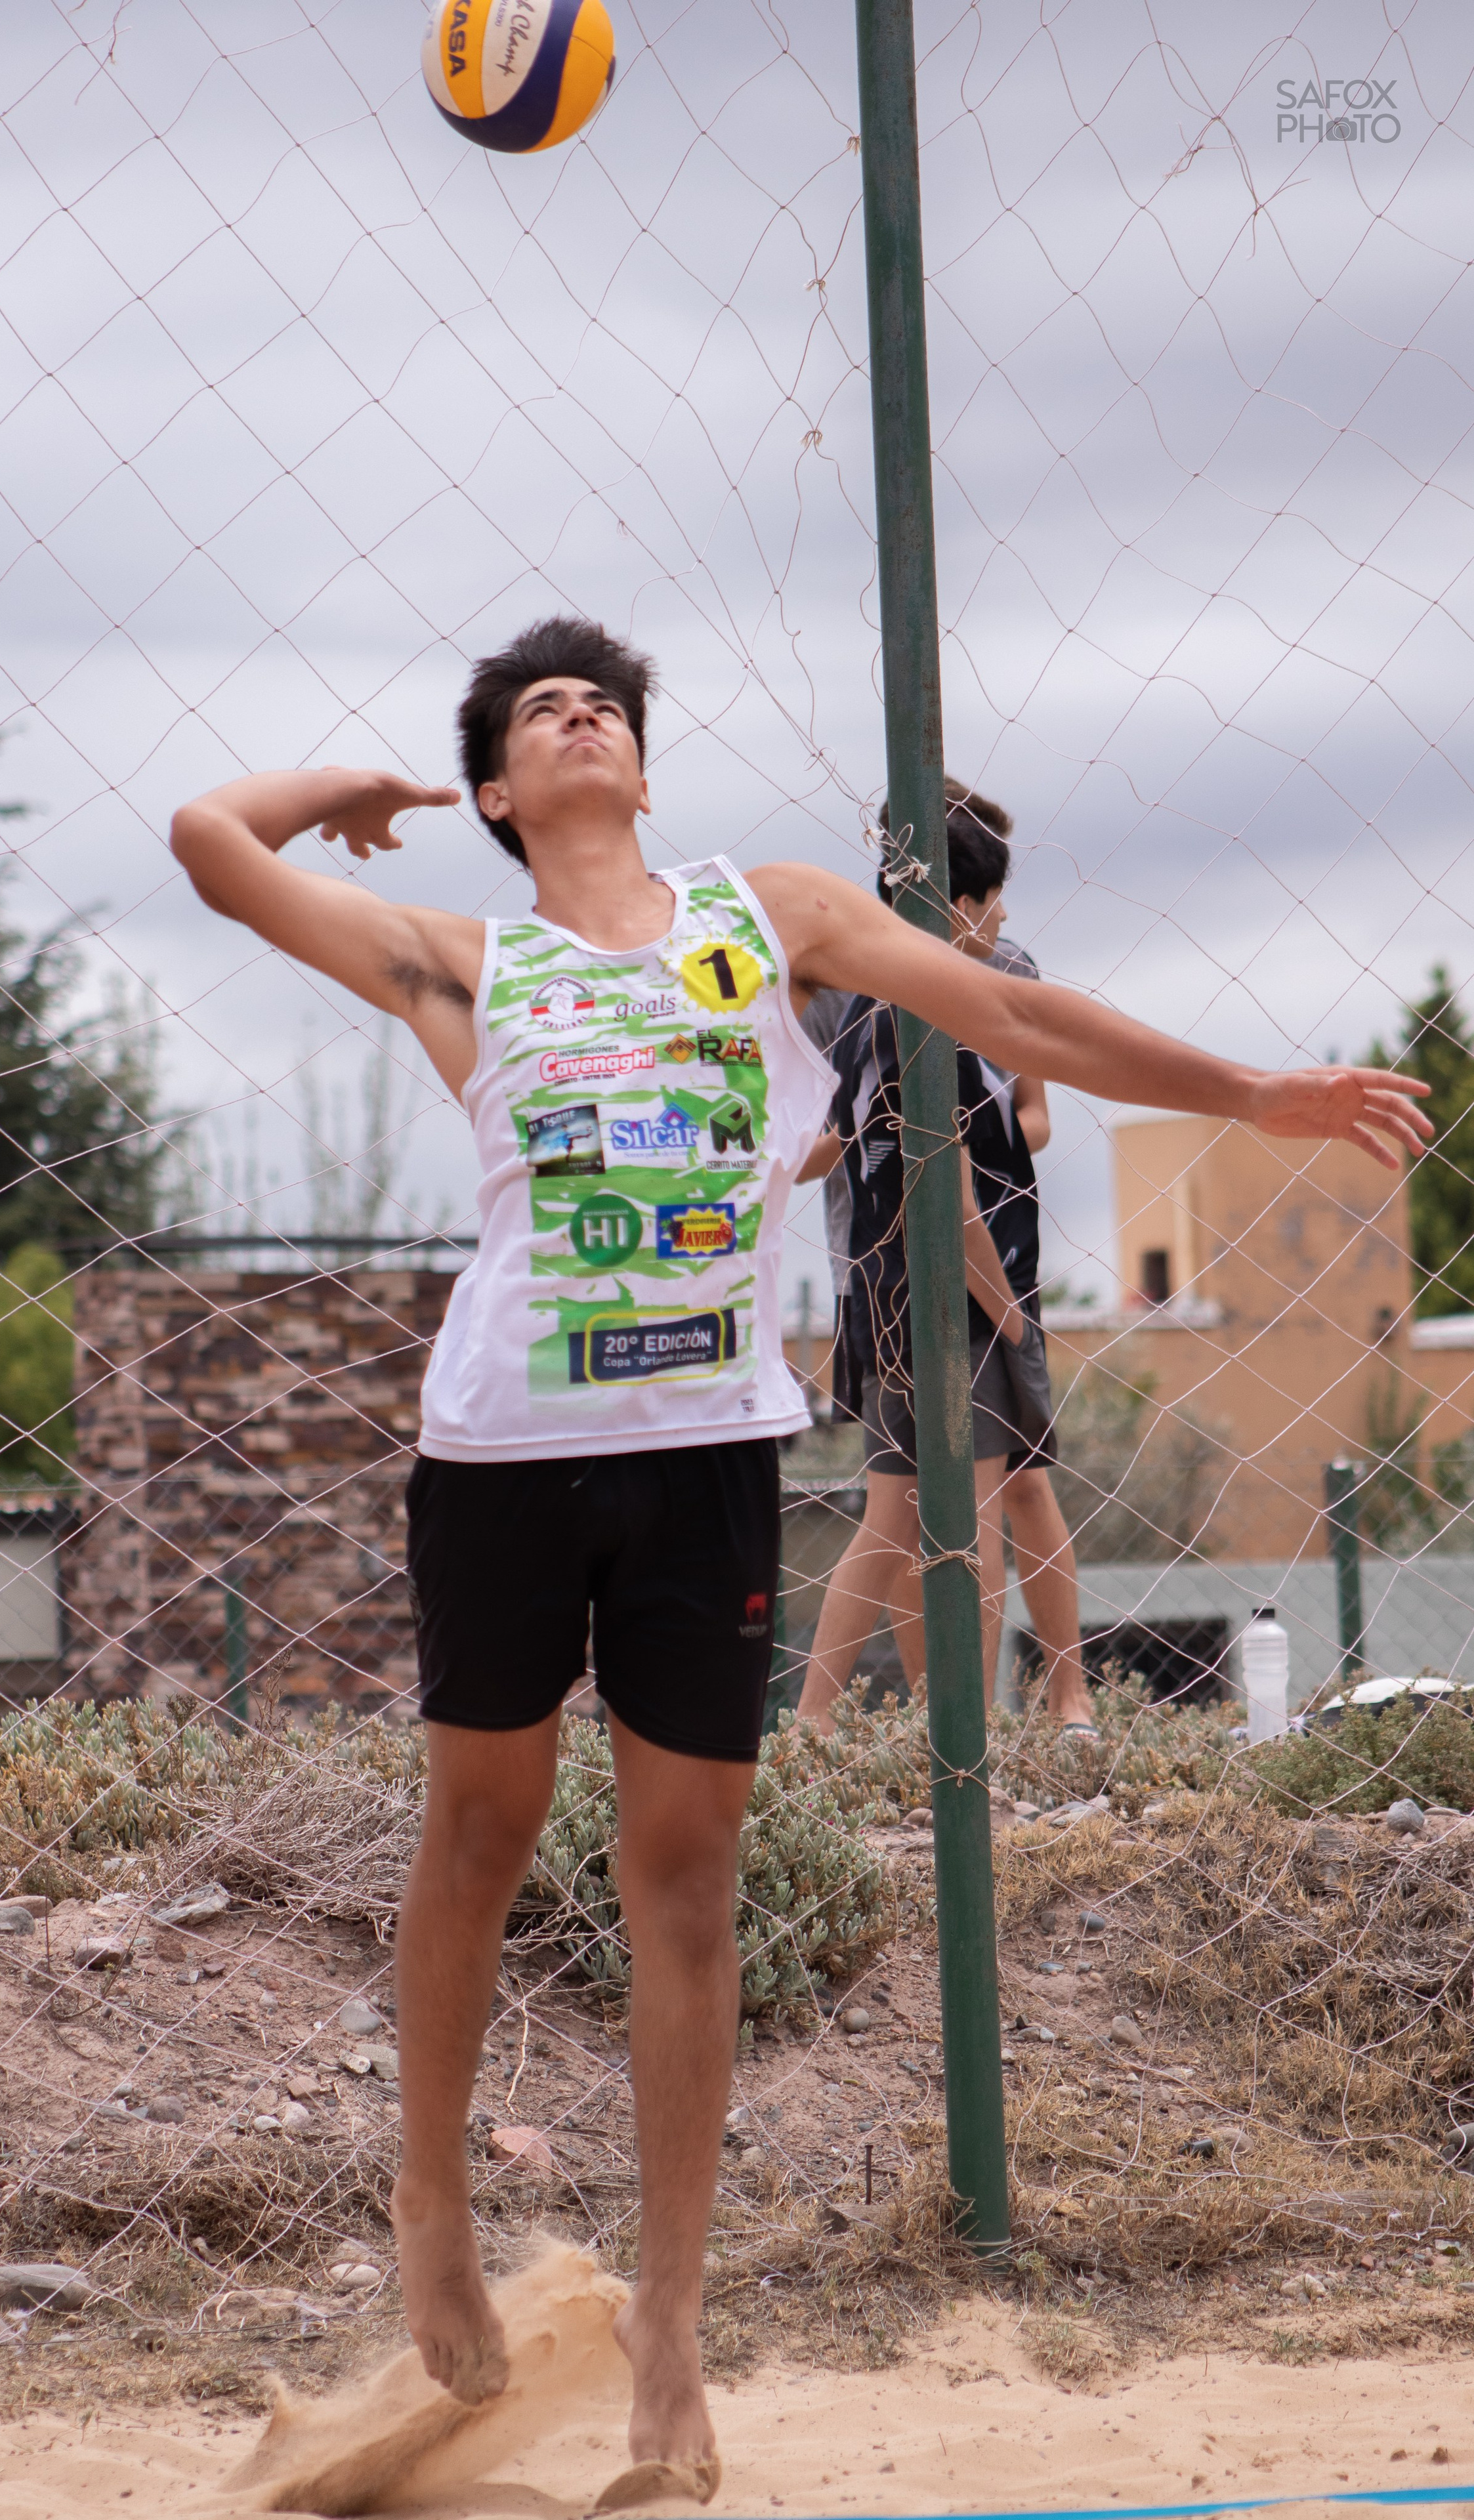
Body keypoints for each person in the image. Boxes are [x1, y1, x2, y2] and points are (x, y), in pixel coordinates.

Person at [167, 617, 1427, 2492]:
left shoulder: (766, 919)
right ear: (499, 789)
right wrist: (343, 787)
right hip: (506, 1455)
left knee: (687, 1879)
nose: (582, 715)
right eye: (541, 711)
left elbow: (1012, 1020)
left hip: (706, 1460)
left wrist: (1250, 1094)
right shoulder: (465, 961)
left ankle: (672, 2331)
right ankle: (431, 2196)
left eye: (607, 704)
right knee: (481, 1836)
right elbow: (208, 842)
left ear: (642, 765)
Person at [797, 781, 1095, 1734]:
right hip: (917, 1278)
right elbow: (891, 1168)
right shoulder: (868, 997)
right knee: (945, 1511)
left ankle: (1016, 1710)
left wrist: (953, 1137)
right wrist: (884, 1132)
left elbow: (1019, 1127)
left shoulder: (997, 976)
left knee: (928, 1506)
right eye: (994, 894)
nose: (1003, 915)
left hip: (973, 1262)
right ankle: (962, 1735)